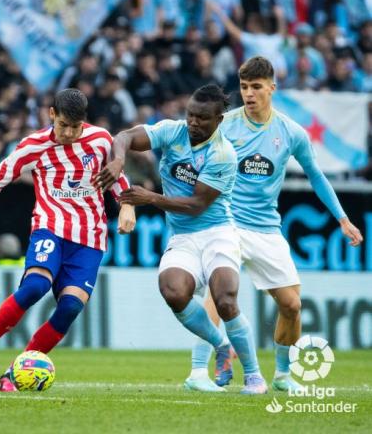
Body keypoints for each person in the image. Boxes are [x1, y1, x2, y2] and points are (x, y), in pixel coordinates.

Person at [0, 88, 136, 391]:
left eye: (76, 126)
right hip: (50, 228)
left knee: (69, 308)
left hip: (89, 239)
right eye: (63, 125)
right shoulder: (33, 146)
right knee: (34, 287)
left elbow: (118, 179)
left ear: (85, 121)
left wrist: (127, 205)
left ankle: (13, 374)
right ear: (51, 114)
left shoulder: (100, 140)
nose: (69, 133)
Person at [188, 57, 363, 392]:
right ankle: (197, 372)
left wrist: (342, 218)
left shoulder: (291, 133)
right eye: (243, 87)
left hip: (267, 228)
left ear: (272, 88)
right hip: (227, 223)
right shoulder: (225, 126)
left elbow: (316, 176)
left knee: (292, 305)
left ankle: (282, 375)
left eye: (256, 87)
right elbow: (195, 163)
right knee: (218, 292)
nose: (249, 94)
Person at [95, 84, 268, 394]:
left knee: (225, 299)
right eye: (190, 115)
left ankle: (254, 377)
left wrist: (150, 198)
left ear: (219, 119)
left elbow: (197, 204)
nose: (193, 123)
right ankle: (221, 346)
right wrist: (119, 159)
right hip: (184, 237)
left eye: (202, 118)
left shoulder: (223, 154)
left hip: (218, 234)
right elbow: (122, 137)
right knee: (173, 290)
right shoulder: (172, 131)